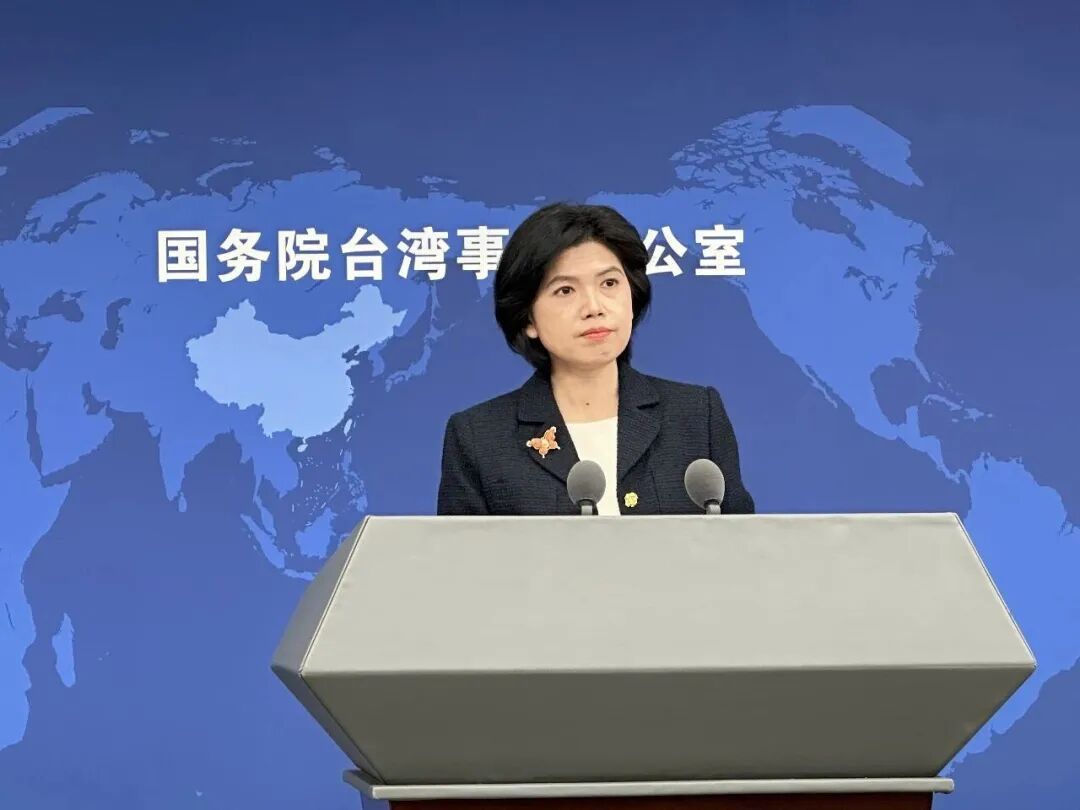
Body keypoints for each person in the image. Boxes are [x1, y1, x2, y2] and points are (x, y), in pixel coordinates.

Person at [437, 202, 754, 516]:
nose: (594, 307)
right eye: (565, 290)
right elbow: (461, 551)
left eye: (609, 283)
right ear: (527, 318)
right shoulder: (480, 438)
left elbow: (743, 541)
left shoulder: (696, 415)